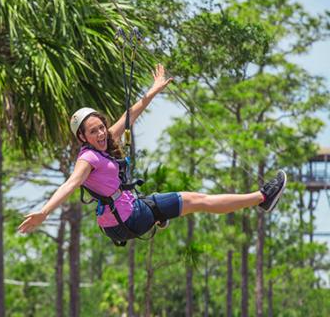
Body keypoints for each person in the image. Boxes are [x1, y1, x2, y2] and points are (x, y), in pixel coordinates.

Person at [17, 64, 287, 243]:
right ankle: (263, 197)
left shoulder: (103, 143)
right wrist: (44, 211)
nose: (101, 134)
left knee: (160, 201)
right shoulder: (87, 159)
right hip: (128, 219)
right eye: (93, 131)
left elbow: (130, 114)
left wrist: (154, 90)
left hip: (120, 219)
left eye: (101, 127)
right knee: (196, 200)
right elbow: (70, 184)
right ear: (82, 137)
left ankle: (158, 214)